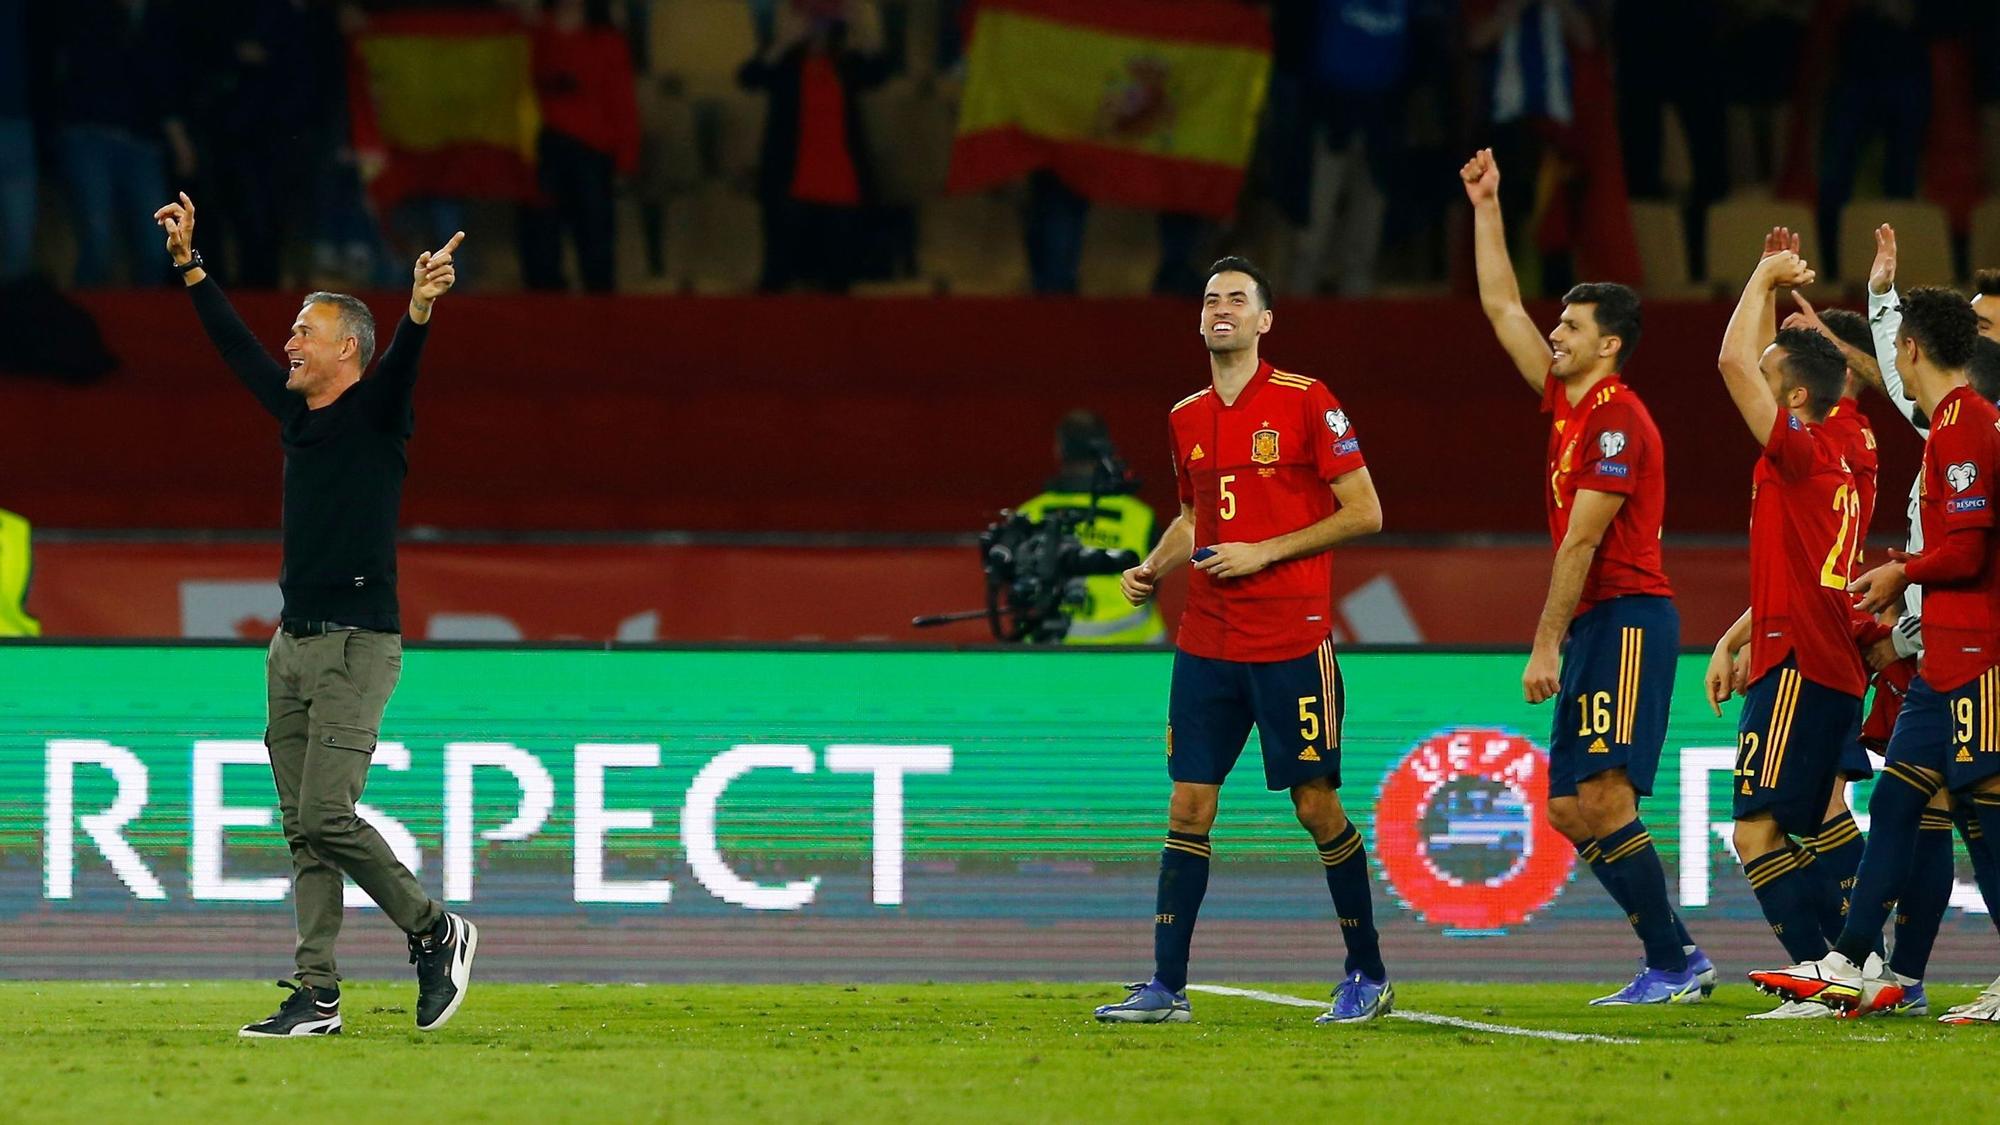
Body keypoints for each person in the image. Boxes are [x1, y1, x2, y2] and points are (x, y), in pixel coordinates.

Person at [152, 191, 477, 1038]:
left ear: (347, 351)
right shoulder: (297, 414)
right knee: (304, 830)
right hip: (292, 647)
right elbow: (232, 346)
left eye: (304, 329)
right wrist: (190, 261)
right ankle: (318, 994)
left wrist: (420, 306)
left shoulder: (375, 414)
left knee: (328, 815)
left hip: (357, 646)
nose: (287, 340)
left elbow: (405, 361)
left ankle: (435, 928)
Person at [1092, 256, 1390, 1025]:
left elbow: (1364, 510)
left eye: (1236, 299)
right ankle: (1167, 985)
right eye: (1209, 298)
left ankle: (1368, 972)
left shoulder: (1306, 400)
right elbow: (1195, 515)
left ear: (1264, 321)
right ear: (1199, 320)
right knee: (1189, 803)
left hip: (1290, 638)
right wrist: (1154, 567)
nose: (1220, 308)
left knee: (1314, 804)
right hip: (1206, 641)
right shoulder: (1186, 414)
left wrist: (1265, 551)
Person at [1461, 147, 1713, 1005]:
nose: (1553, 335)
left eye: (1569, 328)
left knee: (1603, 795)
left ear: (1608, 344)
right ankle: (1671, 955)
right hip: (1598, 625)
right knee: (1570, 807)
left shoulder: (1615, 423)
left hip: (1629, 616)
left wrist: (1542, 645)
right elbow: (1499, 303)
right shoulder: (1569, 404)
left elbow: (1579, 545)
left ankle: (1677, 959)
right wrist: (1488, 205)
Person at [1751, 288, 2000, 1023]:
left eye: (1897, 344)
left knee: (1986, 822)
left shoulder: (1967, 425)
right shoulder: (1950, 423)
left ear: (1914, 348)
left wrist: (1903, 574)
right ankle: (1853, 960)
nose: (1891, 357)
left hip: (1979, 654)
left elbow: (1969, 549)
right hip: (1941, 662)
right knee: (1894, 802)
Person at [1701, 238, 1866, 1021]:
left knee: (1755, 831)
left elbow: (1733, 365)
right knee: (1814, 819)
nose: (1757, 392)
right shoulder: (1843, 444)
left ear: (1793, 400)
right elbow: (1796, 567)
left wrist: (1760, 273)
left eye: (1775, 384)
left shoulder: (1799, 454)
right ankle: (1861, 970)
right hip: (1814, 655)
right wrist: (1738, 638)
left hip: (1800, 661)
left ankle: (1821, 974)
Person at [738, 0, 892, 293]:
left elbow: (880, 72)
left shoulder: (846, 64)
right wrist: (782, 43)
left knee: (838, 276)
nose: (817, 32)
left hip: (839, 178)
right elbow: (748, 78)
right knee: (780, 273)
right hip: (791, 176)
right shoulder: (786, 65)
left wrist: (861, 29)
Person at [519, 0, 641, 293]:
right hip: (541, 148)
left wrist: (627, 156)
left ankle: (601, 318)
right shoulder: (534, 34)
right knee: (541, 244)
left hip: (592, 151)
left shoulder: (607, 41)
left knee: (595, 242)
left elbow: (622, 101)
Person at [1013, 411, 1165, 645]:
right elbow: (1153, 585)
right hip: (1133, 653)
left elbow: (1015, 590)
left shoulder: (1028, 514)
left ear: (1059, 449)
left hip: (1047, 657)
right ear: (1105, 448)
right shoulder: (1141, 516)